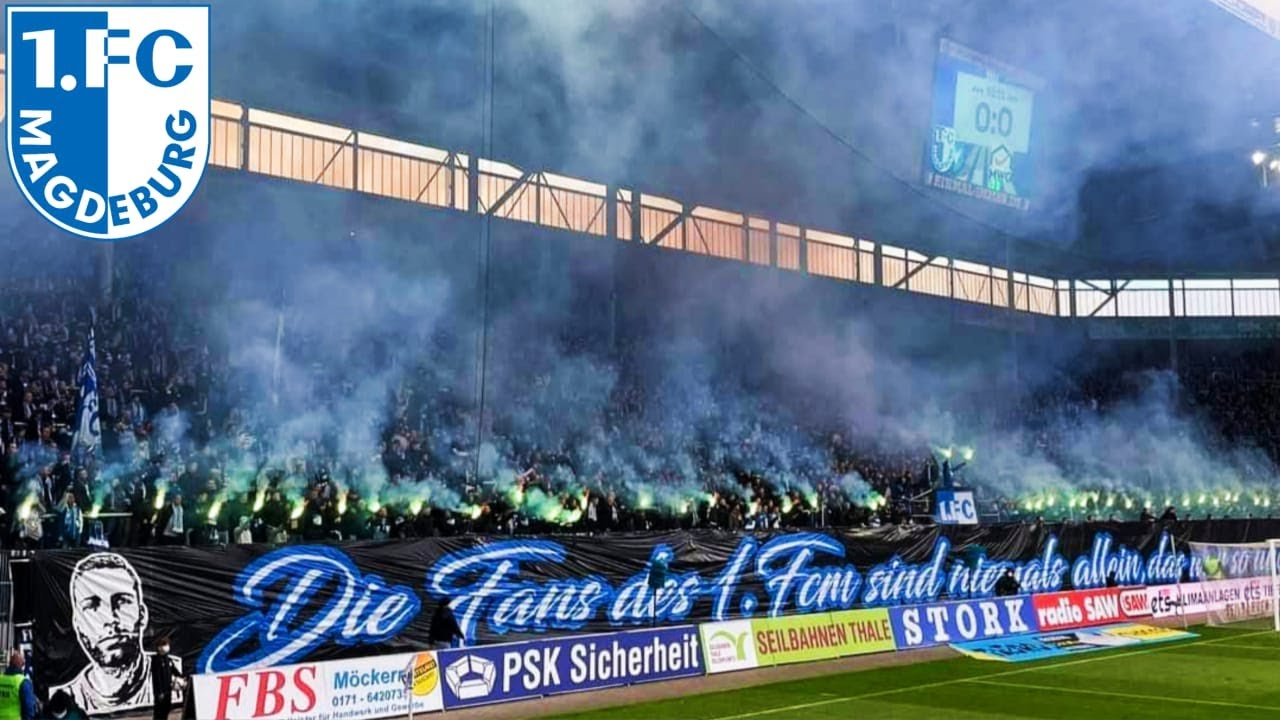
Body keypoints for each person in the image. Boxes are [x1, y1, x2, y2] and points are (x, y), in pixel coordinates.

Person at [51, 553, 174, 714]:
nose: (110, 619)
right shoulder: (68, 698)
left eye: (122, 601)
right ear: (78, 625)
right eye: (92, 606)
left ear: (142, 615)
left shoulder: (173, 668)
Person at [150, 637, 183, 720]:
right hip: (160, 691)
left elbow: (174, 670)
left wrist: (182, 677)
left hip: (168, 689)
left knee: (166, 708)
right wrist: (159, 692)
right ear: (159, 647)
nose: (166, 647)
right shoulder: (156, 660)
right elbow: (157, 677)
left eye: (167, 645)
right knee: (159, 711)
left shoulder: (168, 659)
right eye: (163, 645)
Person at [0, 649, 38, 720]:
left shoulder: (0, 678)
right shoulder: (23, 682)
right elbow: (28, 707)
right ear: (22, 666)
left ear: (10, 663)